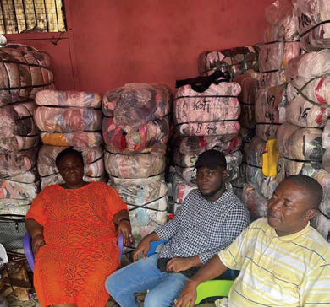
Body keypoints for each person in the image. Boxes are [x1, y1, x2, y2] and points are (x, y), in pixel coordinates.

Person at [105, 149, 250, 307]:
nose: (203, 179)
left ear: (224, 174)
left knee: (154, 301)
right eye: (200, 173)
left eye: (210, 173)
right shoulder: (194, 196)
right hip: (167, 258)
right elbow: (176, 224)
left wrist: (190, 261)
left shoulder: (235, 211)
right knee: (113, 284)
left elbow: (230, 254)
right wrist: (151, 237)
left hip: (194, 271)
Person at [175, 175, 330, 307]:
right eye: (274, 197)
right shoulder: (259, 227)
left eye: (286, 204)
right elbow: (225, 259)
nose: (274, 206)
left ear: (309, 213)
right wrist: (193, 282)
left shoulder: (319, 258)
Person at [25, 148, 133, 307]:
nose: (71, 171)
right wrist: (36, 234)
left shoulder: (101, 190)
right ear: (59, 171)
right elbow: (32, 218)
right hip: (56, 249)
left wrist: (123, 220)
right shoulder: (49, 193)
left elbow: (118, 210)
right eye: (65, 168)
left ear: (83, 166)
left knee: (93, 279)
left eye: (75, 166)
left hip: (97, 248)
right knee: (55, 280)